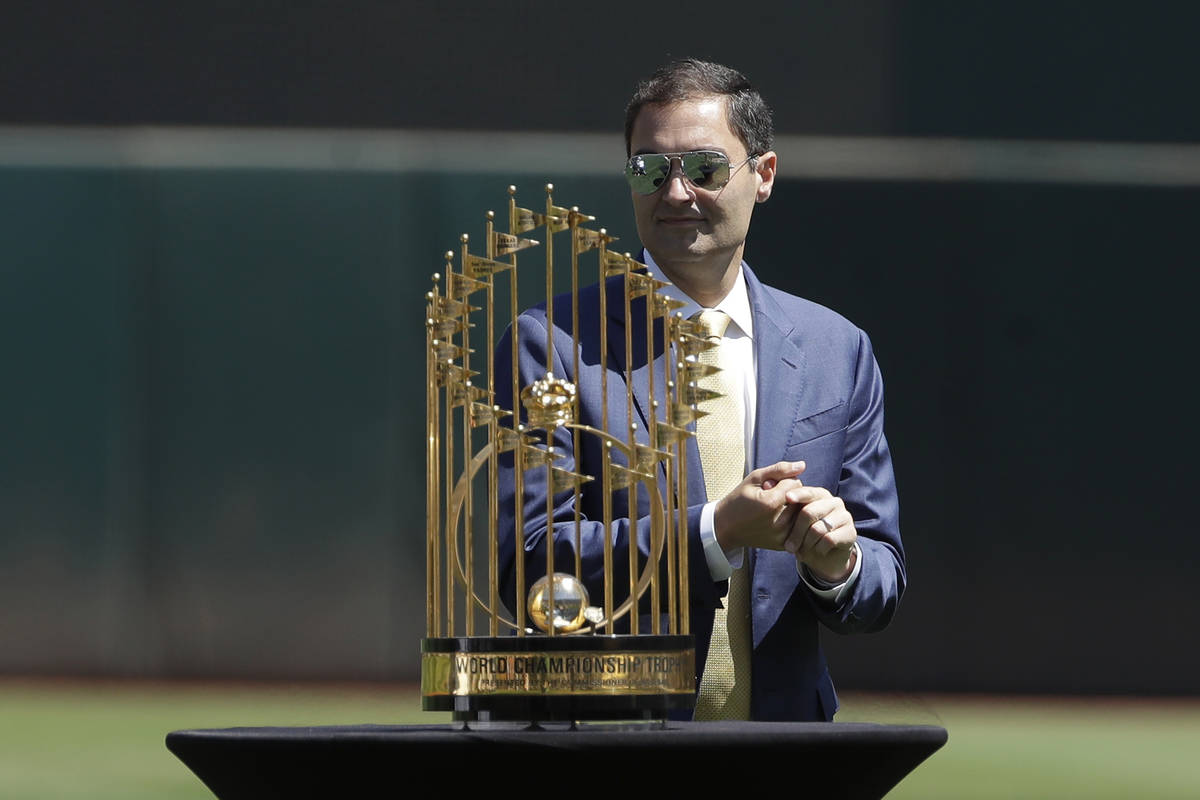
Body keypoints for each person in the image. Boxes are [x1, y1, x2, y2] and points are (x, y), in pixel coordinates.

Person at [495, 58, 904, 722]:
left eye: (705, 169)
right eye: (650, 170)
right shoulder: (552, 343)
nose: (676, 193)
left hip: (782, 755)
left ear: (763, 175)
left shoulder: (837, 349)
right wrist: (714, 532)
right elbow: (533, 568)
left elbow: (880, 576)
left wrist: (837, 564)